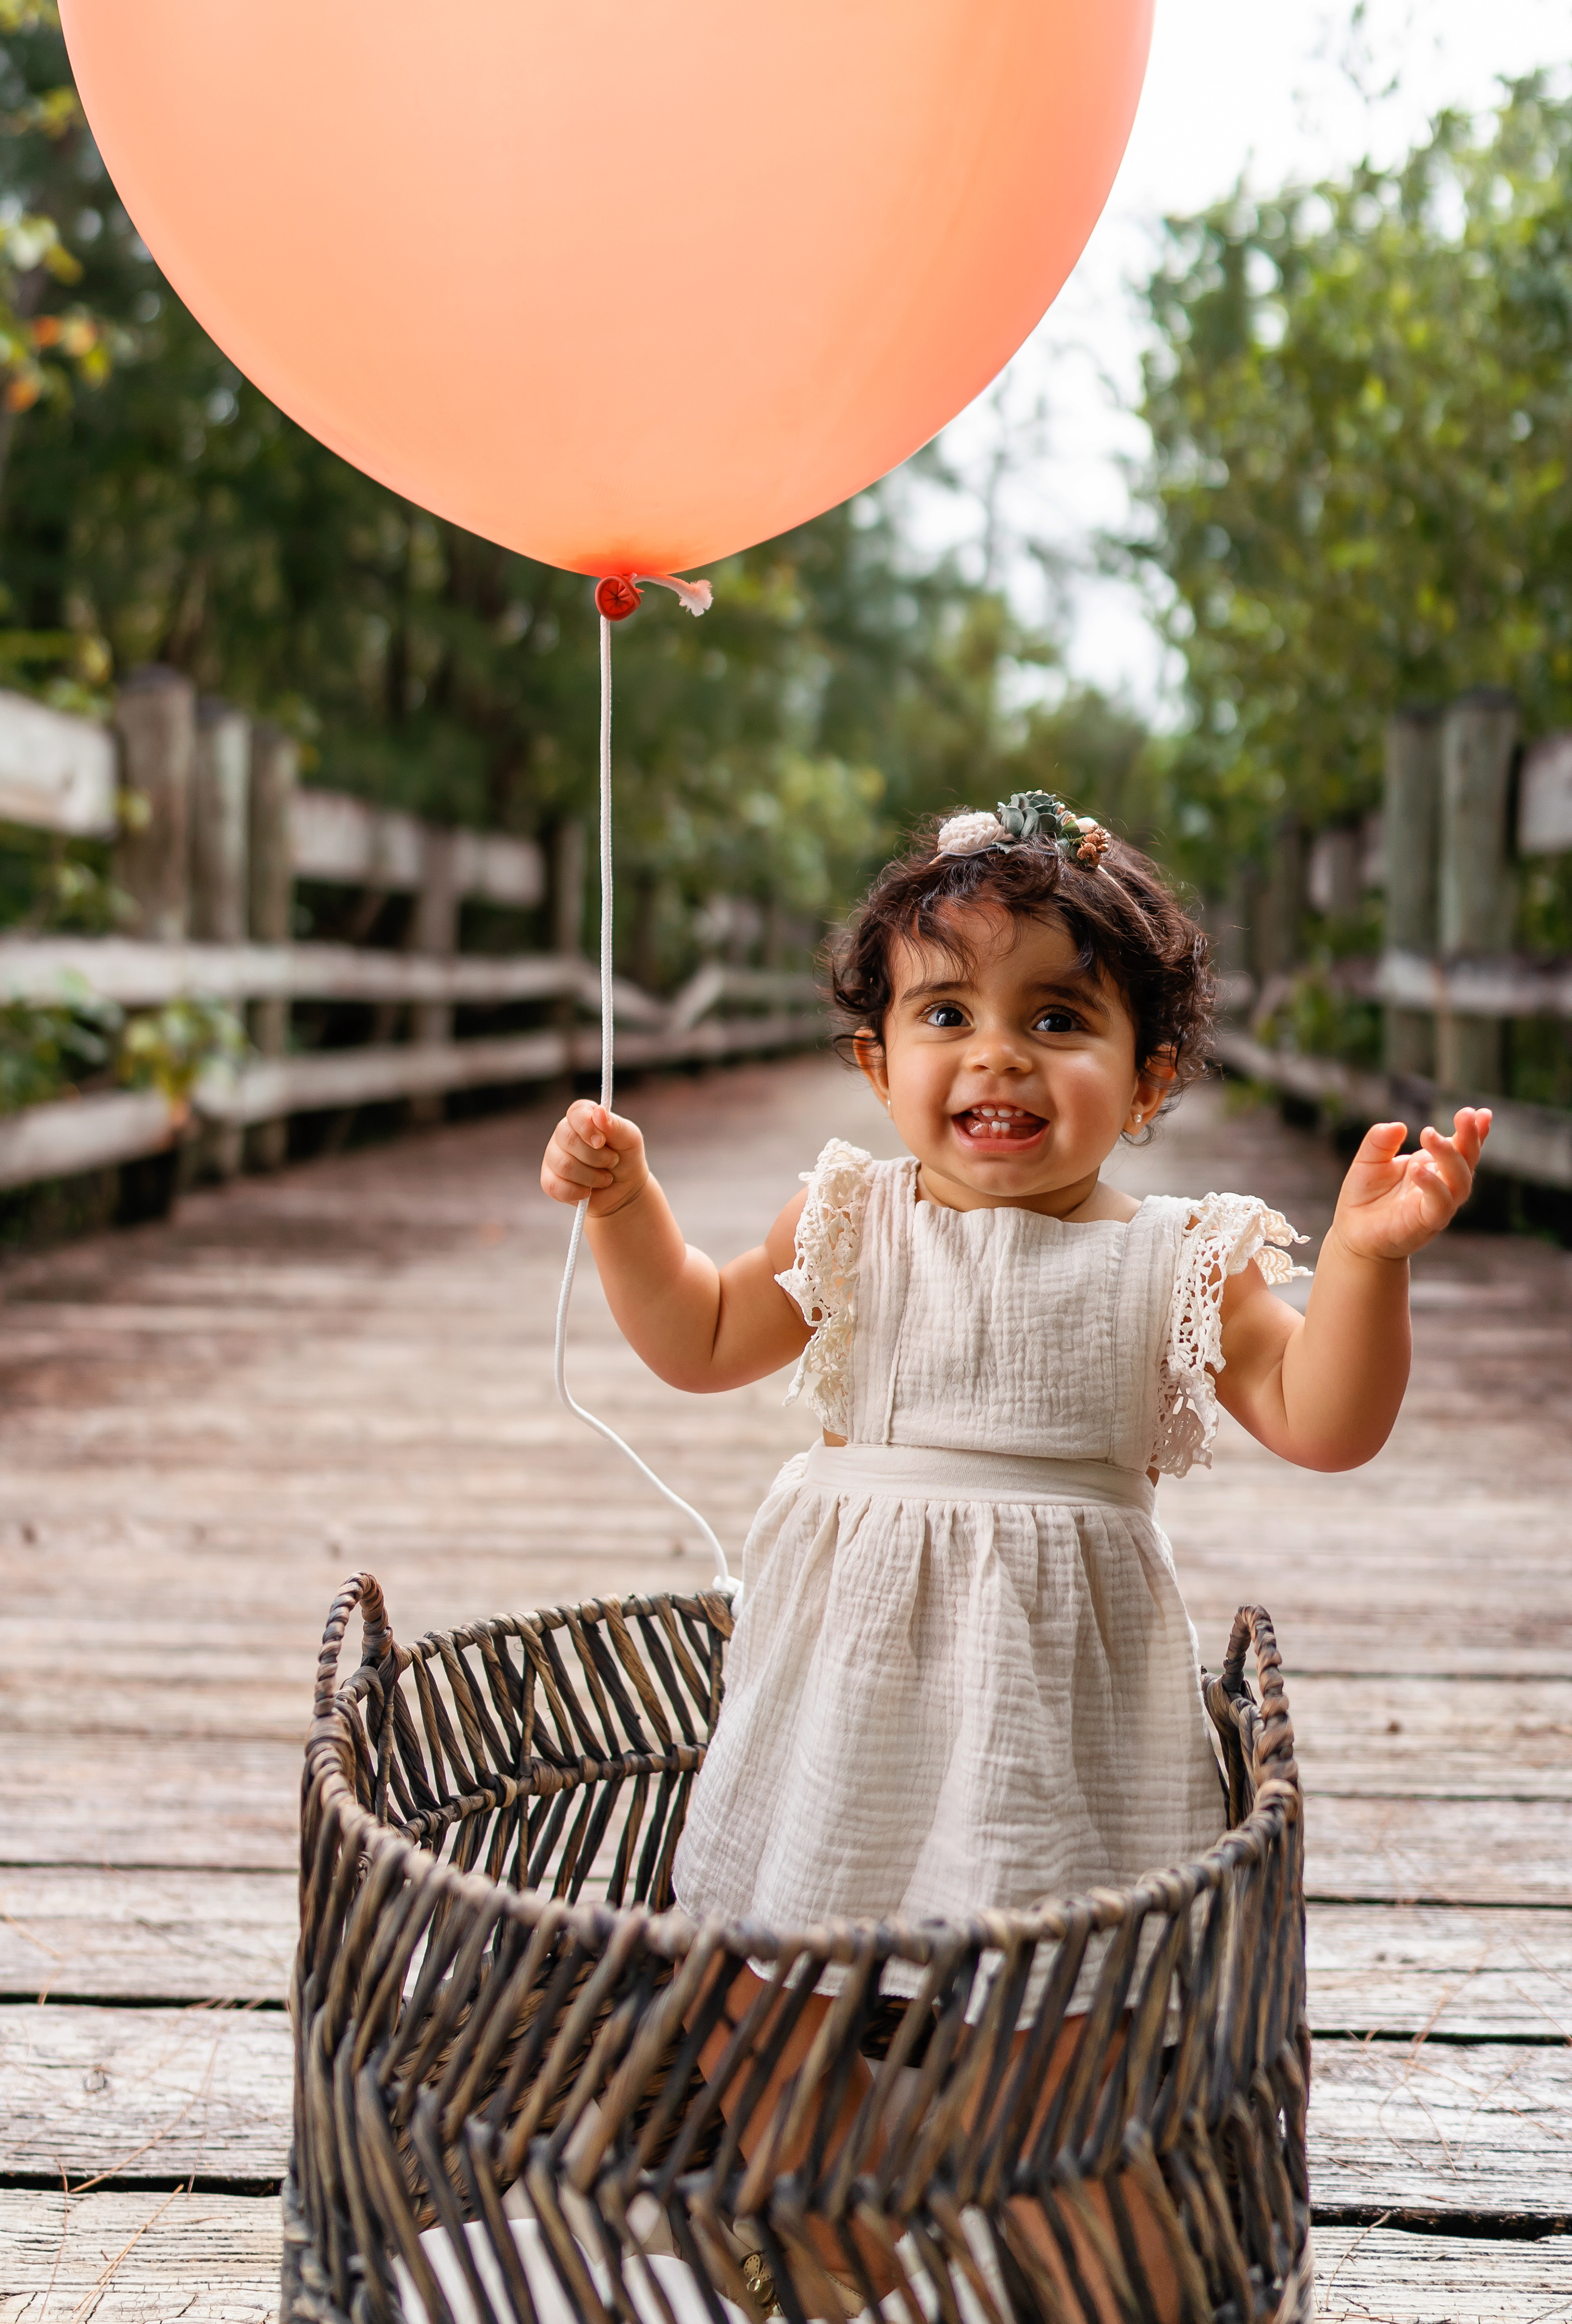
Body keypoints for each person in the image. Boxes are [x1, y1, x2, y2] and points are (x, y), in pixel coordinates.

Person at [539, 790, 1487, 2296]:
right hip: (841, 1688)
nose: (998, 1055)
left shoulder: (1180, 1259)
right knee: (743, 1965)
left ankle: (996, 2181)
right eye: (948, 1014)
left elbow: (1325, 1419)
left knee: (1072, 1996)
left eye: (1058, 1019)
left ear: (1151, 1075)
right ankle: (819, 2181)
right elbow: (702, 1335)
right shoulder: (849, 1217)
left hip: (1057, 1702)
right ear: (876, 1060)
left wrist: (1369, 1263)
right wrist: (627, 1207)